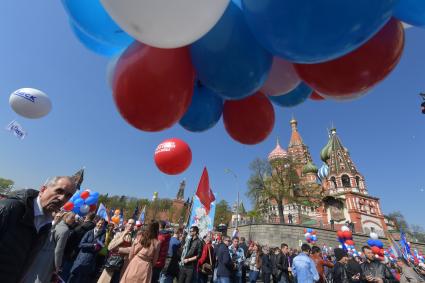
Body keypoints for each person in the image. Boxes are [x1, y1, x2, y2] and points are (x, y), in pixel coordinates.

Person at [0, 176, 76, 283]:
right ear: (43, 190)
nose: (62, 198)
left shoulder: (47, 225)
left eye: (68, 196)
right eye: (59, 191)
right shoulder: (10, 208)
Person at [22, 211, 76, 283]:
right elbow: (59, 250)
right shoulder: (65, 230)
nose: (73, 220)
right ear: (66, 217)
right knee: (40, 278)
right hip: (49, 257)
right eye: (72, 218)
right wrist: (57, 266)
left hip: (39, 253)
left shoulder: (54, 224)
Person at [68, 218, 107, 283]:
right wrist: (92, 245)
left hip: (90, 261)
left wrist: (98, 247)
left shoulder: (103, 234)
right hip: (81, 259)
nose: (100, 225)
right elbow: (81, 244)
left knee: (82, 280)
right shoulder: (89, 232)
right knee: (72, 278)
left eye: (102, 224)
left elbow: (100, 247)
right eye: (99, 223)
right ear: (96, 223)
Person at [62, 212, 97, 280]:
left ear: (87, 216)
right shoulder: (93, 228)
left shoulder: (83, 226)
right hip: (81, 252)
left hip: (72, 250)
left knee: (66, 269)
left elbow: (74, 237)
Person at [98, 219, 135, 283]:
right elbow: (110, 247)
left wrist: (119, 249)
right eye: (129, 223)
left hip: (123, 264)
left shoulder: (134, 238)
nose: (131, 225)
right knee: (105, 280)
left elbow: (132, 250)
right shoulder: (118, 234)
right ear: (126, 224)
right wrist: (122, 237)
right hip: (113, 261)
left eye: (133, 224)